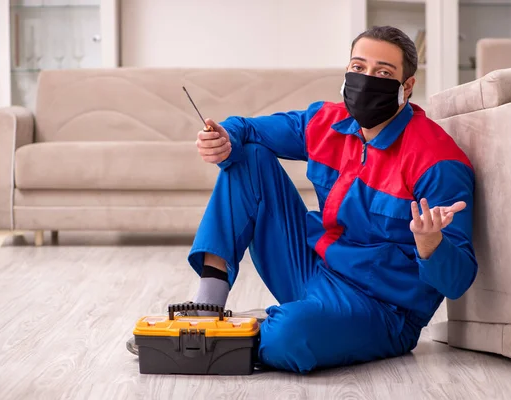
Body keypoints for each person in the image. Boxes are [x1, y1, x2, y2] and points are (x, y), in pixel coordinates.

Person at [128, 25, 477, 374]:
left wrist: (431, 245)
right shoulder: (328, 122)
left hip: (381, 309)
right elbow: (248, 129)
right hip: (311, 268)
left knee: (289, 339)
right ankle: (205, 312)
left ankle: (248, 332)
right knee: (247, 156)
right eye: (358, 68)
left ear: (408, 87)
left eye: (383, 73)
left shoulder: (437, 161)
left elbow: (457, 282)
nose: (367, 79)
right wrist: (224, 139)